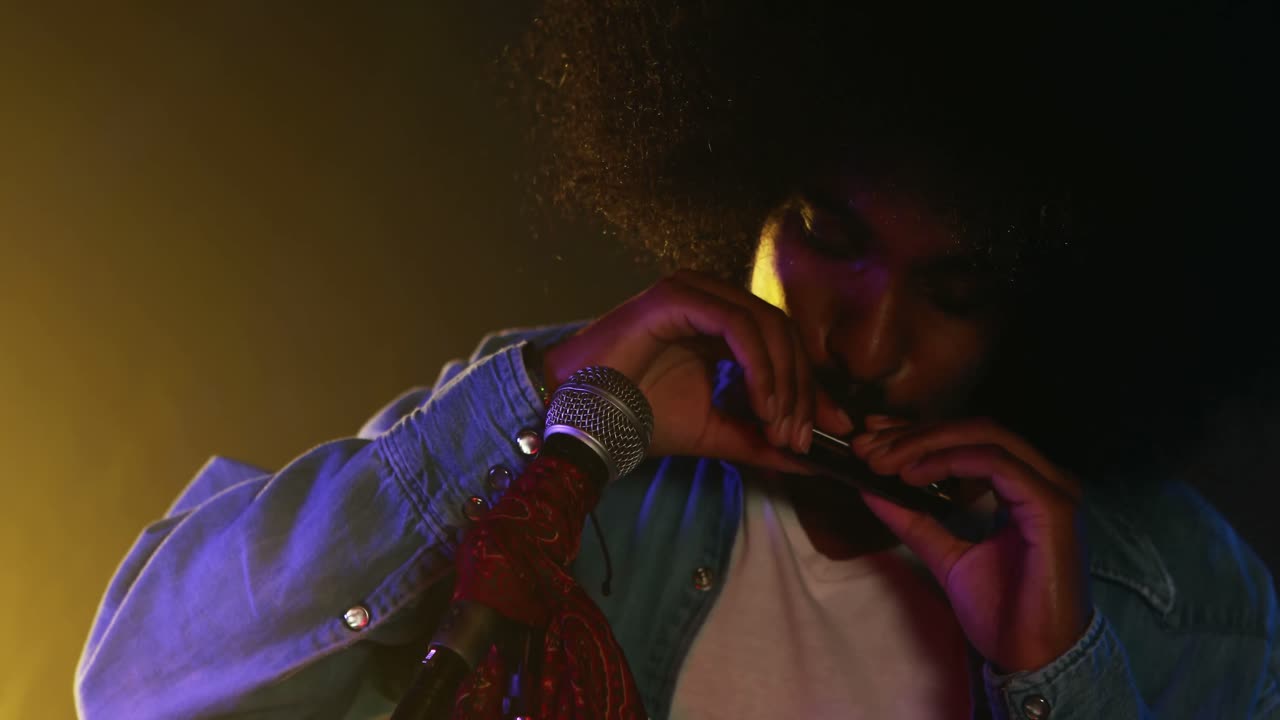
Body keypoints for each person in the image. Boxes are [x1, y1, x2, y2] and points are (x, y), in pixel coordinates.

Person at [76, 2, 1278, 718]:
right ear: (737, 192)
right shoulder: (552, 436)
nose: (862, 345)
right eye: (825, 237)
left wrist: (1055, 678)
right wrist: (546, 410)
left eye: (953, 293)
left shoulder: (1180, 603)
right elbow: (132, 686)